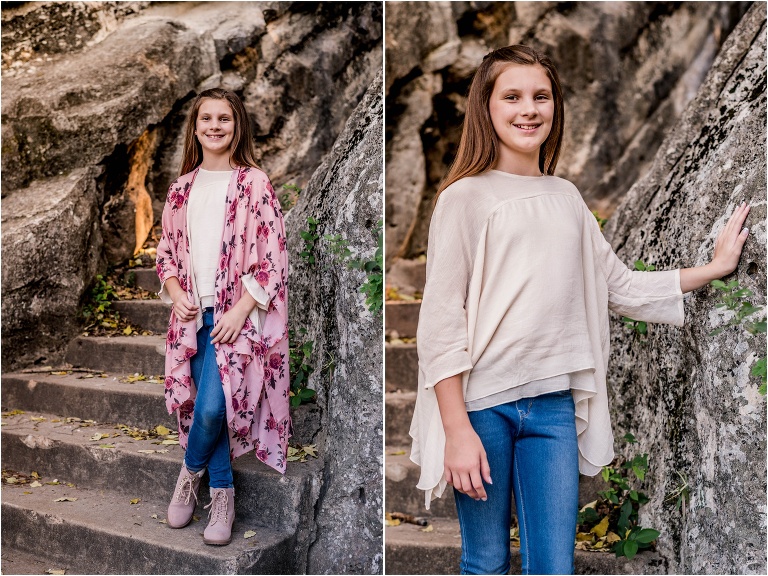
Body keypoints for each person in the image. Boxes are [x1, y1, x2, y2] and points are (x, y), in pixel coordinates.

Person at [408, 45, 751, 575]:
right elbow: (440, 320)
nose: (529, 109)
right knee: (486, 561)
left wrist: (712, 268)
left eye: (540, 96)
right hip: (481, 408)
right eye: (512, 97)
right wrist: (457, 429)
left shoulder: (566, 196)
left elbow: (618, 286)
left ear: (555, 106)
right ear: (487, 107)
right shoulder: (464, 198)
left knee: (554, 566)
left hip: (552, 407)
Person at [155, 88, 290, 546]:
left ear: (238, 127)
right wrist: (176, 295)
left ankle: (190, 475)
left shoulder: (254, 183)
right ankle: (222, 494)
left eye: (225, 120)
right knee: (202, 409)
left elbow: (273, 257)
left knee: (213, 408)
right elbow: (166, 255)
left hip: (236, 317)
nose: (215, 127)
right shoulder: (180, 189)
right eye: (206, 119)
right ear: (195, 127)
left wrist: (241, 308)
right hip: (192, 319)